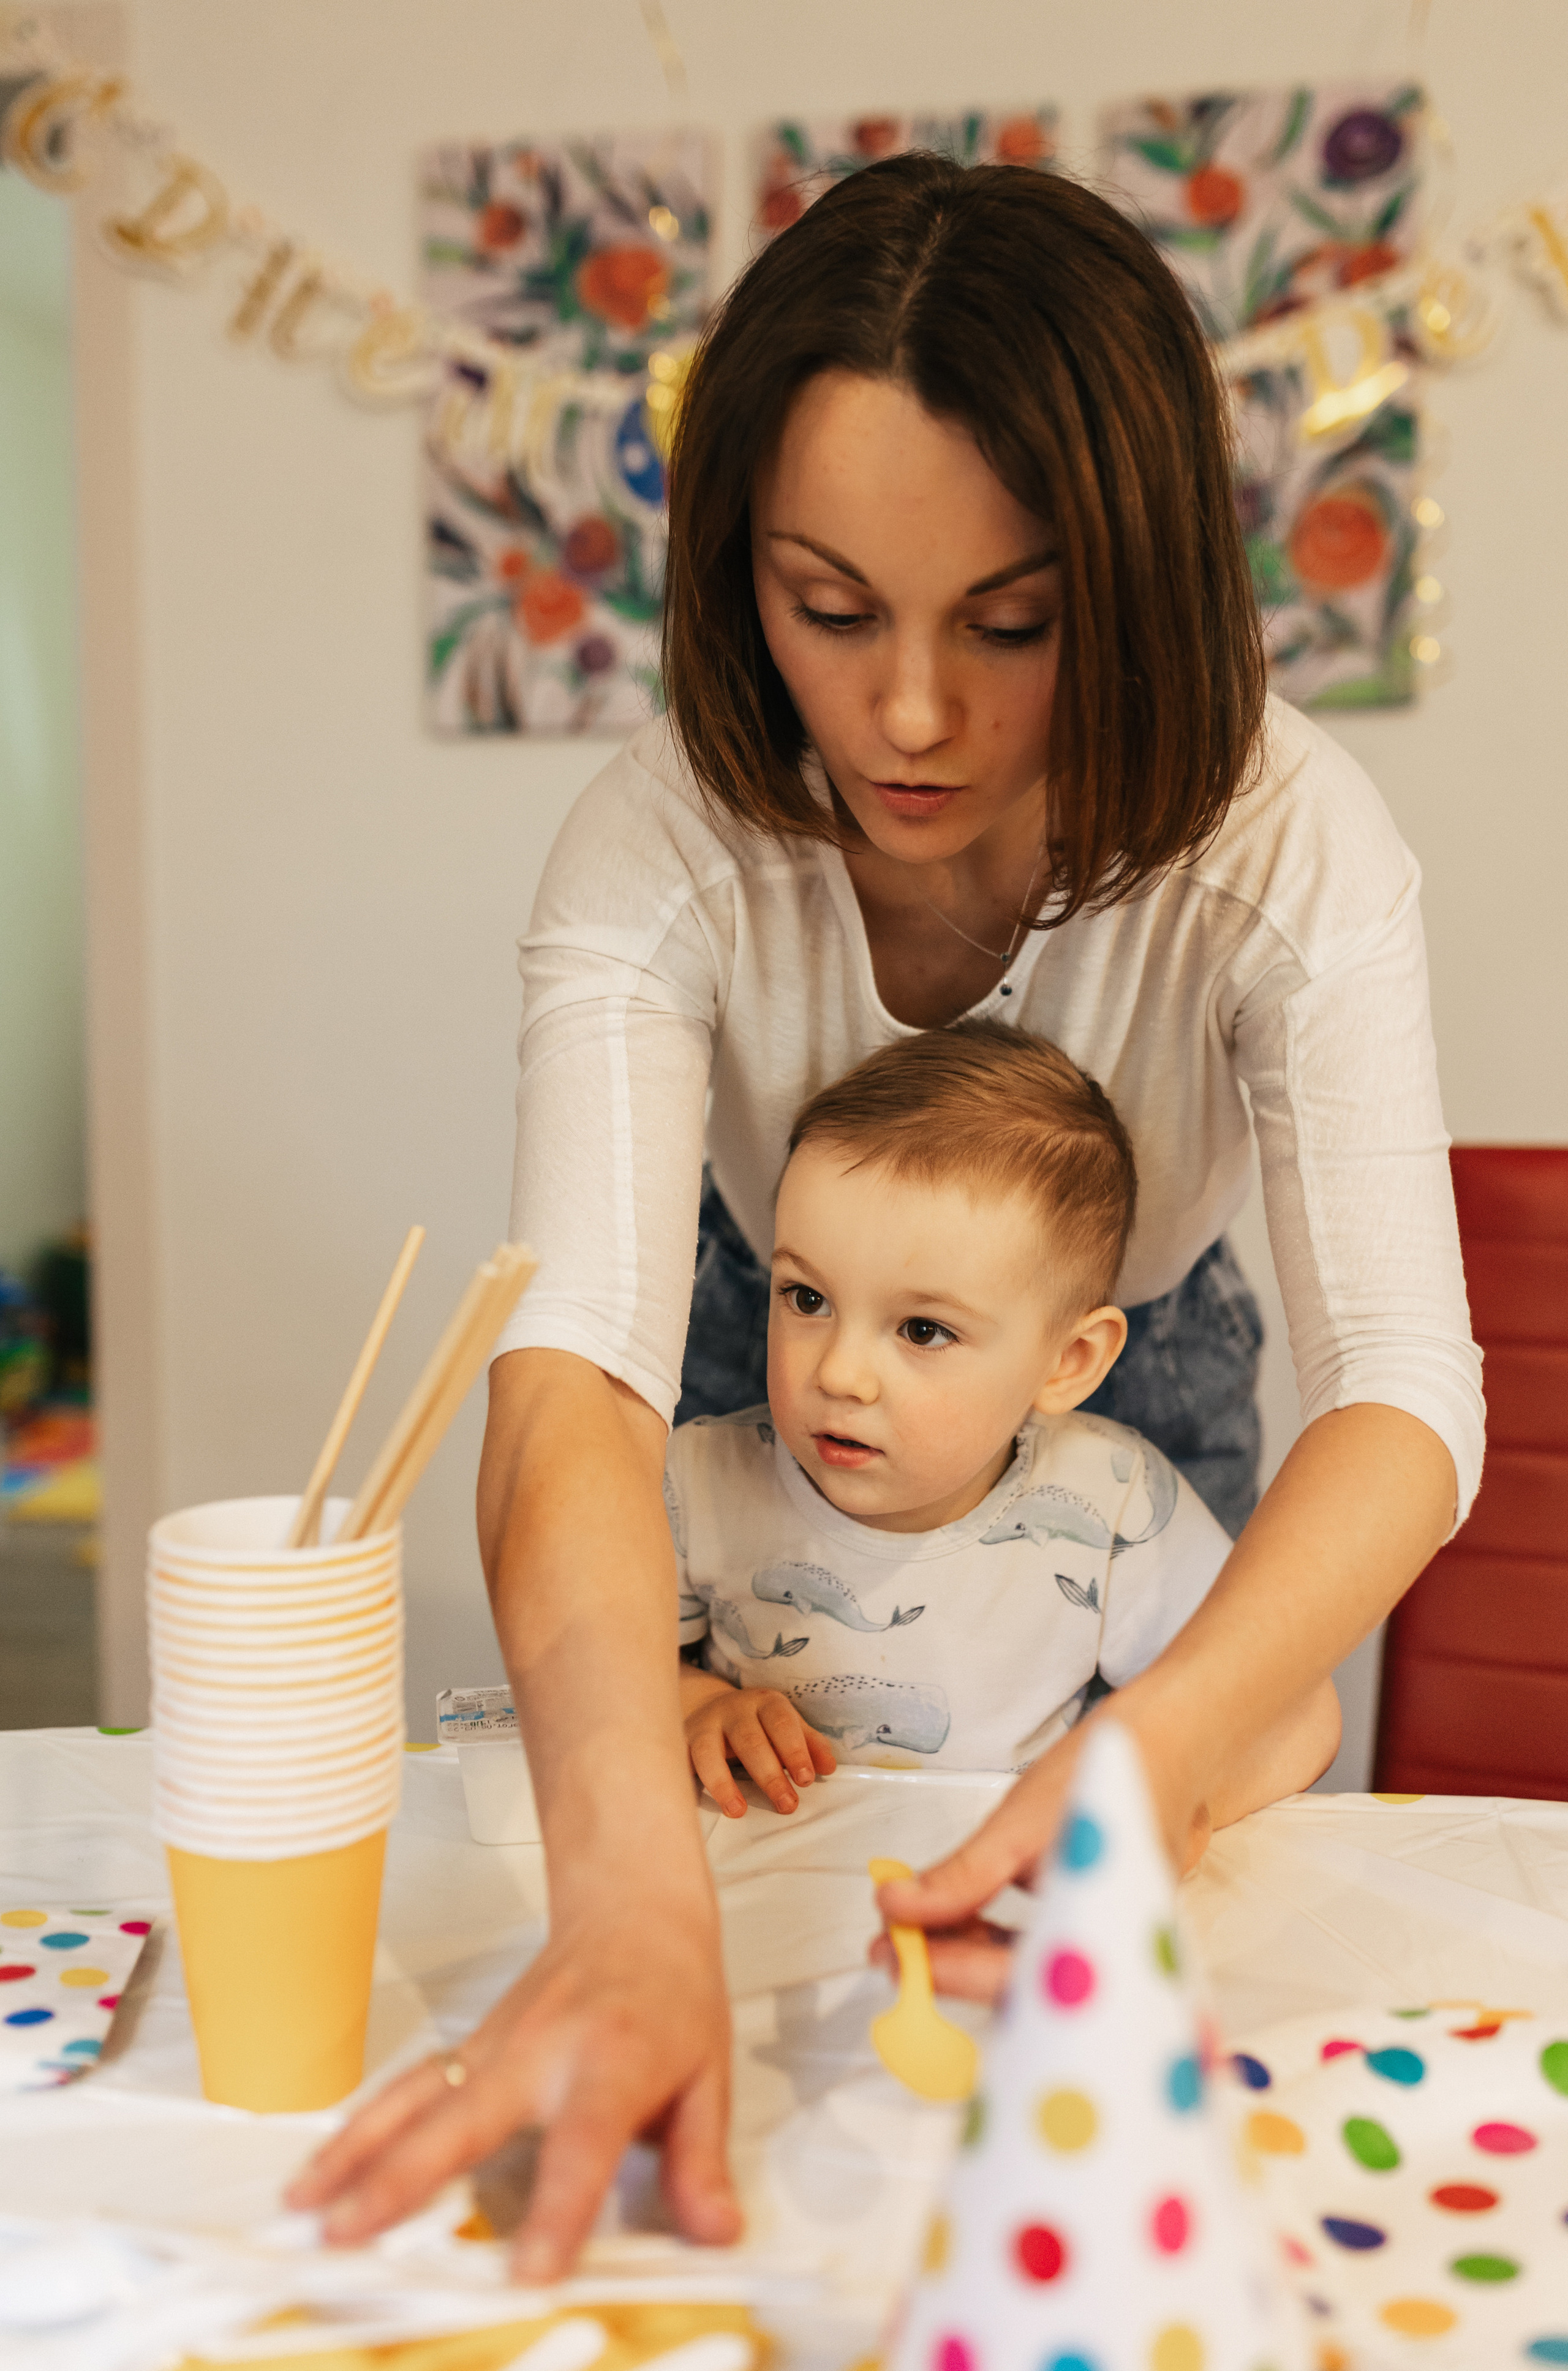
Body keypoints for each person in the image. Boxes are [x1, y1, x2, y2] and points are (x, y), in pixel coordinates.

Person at [290, 153, 1481, 2274]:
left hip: (1150, 1340)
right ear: (737, 568)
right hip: (751, 1302)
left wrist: (1165, 1750)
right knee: (739, 1825)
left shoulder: (1292, 851)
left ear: (1131, 588)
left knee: (1118, 1950)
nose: (909, 714)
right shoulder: (657, 849)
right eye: (829, 607)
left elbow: (1402, 1390)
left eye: (1008, 624)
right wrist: (631, 1900)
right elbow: (574, 1373)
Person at [676, 1023, 1338, 1822]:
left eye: (923, 1329)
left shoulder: (1115, 1506)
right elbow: (591, 1675)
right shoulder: (692, 1483)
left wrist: (1161, 1808)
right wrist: (688, 1705)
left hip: (1003, 1917)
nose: (839, 1374)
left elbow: (1296, 1719)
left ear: (1069, 1362)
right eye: (806, 1298)